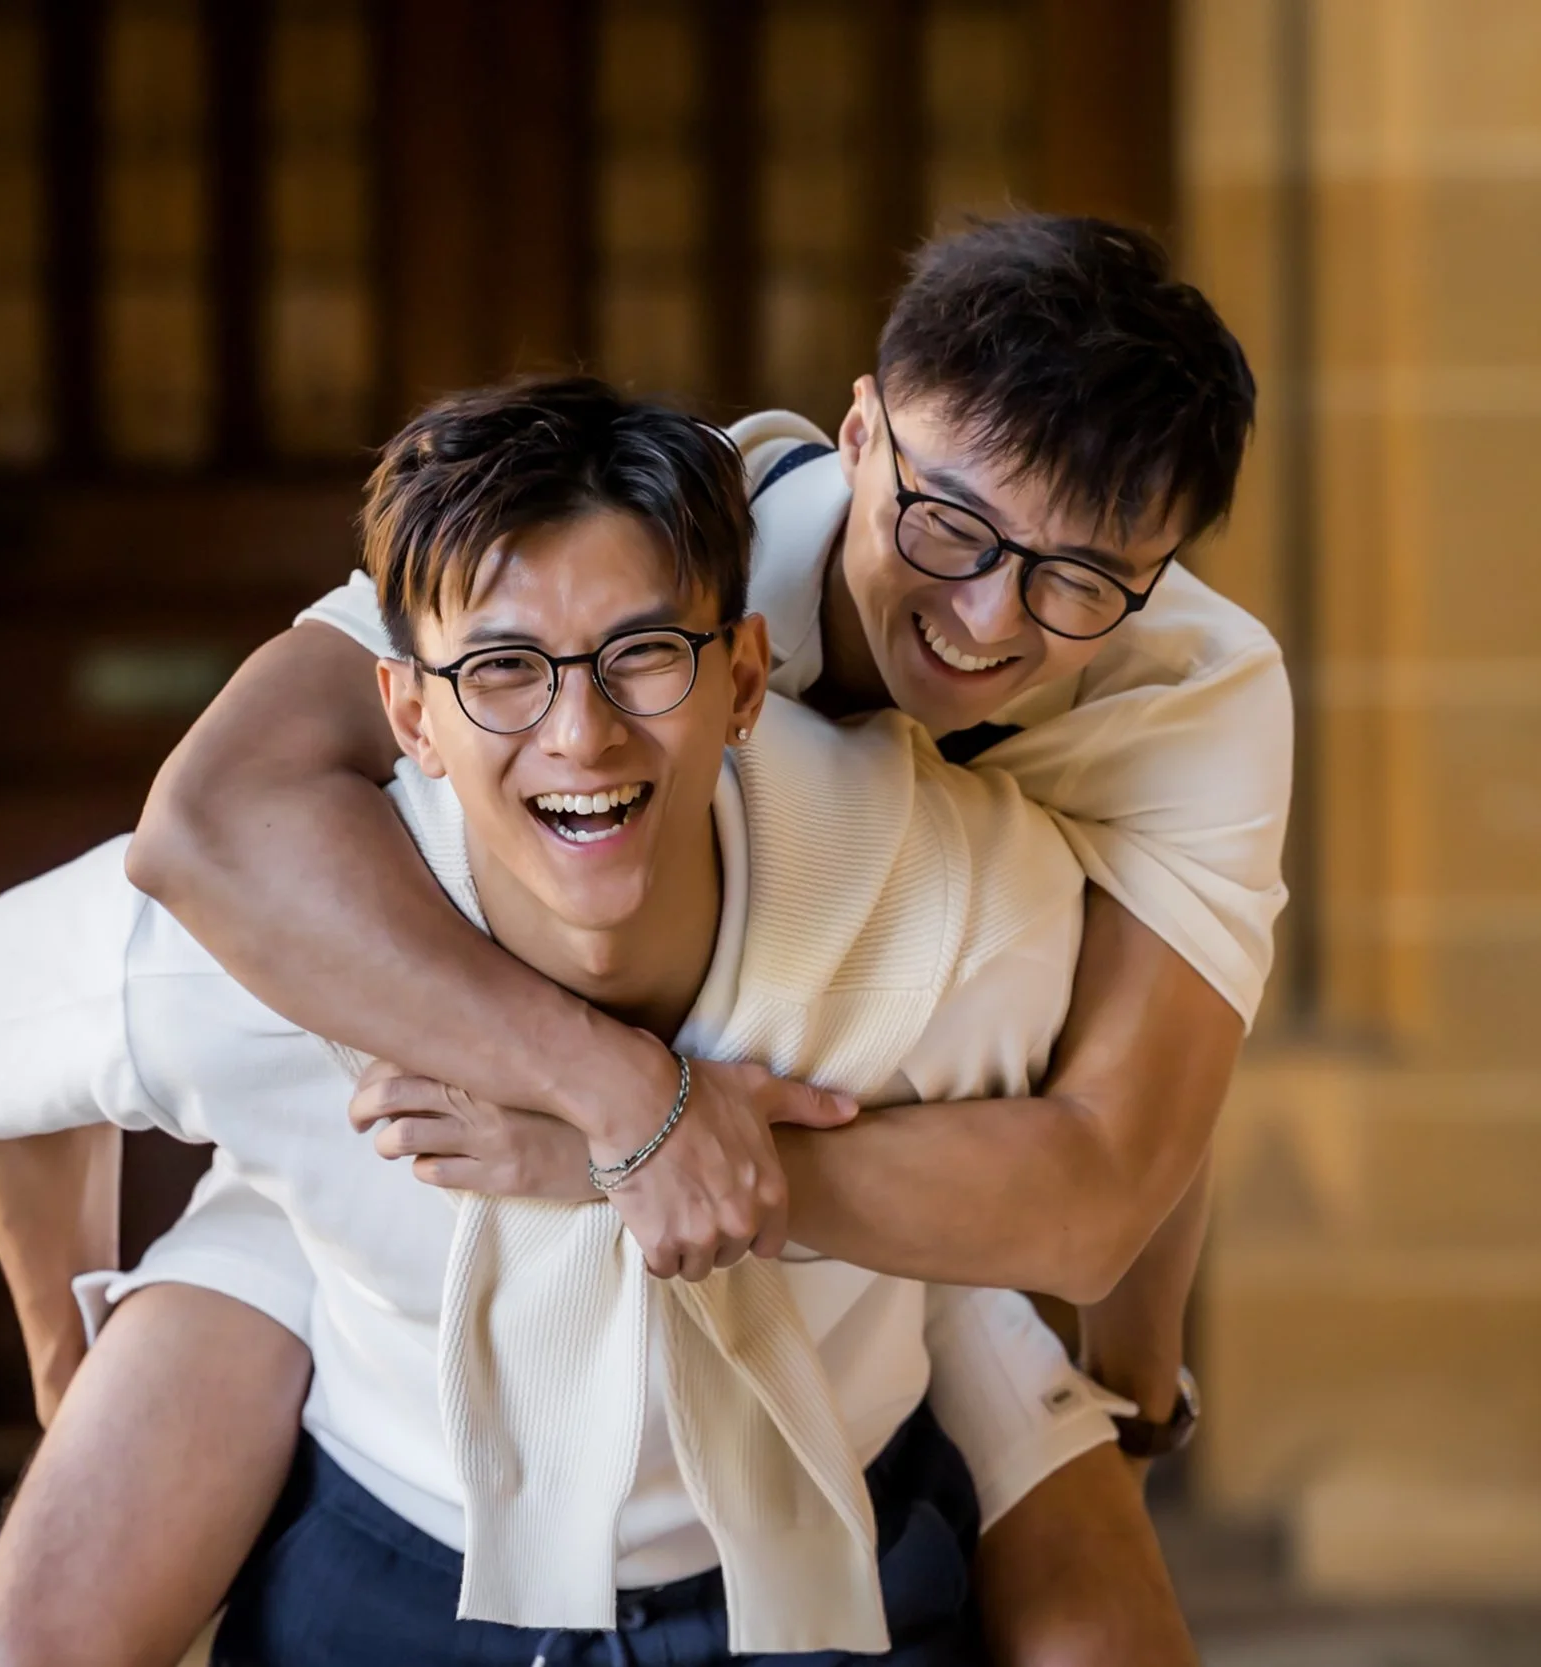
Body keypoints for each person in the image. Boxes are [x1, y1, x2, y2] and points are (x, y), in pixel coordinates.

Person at [0, 379, 1198, 1666]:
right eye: (499, 670)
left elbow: (1137, 1150)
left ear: (746, 679)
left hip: (820, 1543)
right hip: (398, 1527)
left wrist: (1126, 1400)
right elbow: (6, 1020)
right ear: (408, 715)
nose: (579, 731)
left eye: (642, 654)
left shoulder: (948, 917)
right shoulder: (268, 939)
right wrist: (65, 1360)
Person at [124, 214, 1287, 1445]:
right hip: (432, 1172)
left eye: (1081, 580)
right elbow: (205, 822)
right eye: (947, 523)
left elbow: (1106, 1187)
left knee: (1091, 1628)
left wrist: (618, 1157)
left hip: (922, 1220)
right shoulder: (660, 534)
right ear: (858, 434)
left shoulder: (1197, 699)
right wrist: (617, 1095)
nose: (989, 615)